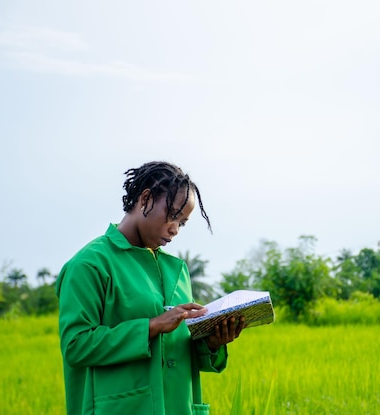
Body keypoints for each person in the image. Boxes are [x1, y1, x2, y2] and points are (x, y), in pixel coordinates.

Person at [56, 161, 244, 415]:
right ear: (145, 199)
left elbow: (175, 351)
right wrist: (152, 326)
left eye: (183, 223)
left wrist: (211, 343)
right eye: (173, 215)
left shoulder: (176, 270)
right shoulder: (89, 265)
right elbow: (76, 345)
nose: (175, 229)